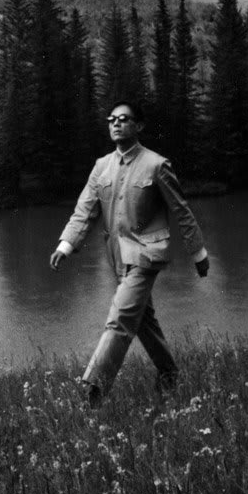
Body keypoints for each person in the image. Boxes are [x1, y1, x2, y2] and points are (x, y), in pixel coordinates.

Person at [50, 100, 209, 406]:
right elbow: (85, 210)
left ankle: (93, 391)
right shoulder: (101, 166)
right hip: (117, 258)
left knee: (121, 316)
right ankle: (169, 372)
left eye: (124, 119)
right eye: (112, 119)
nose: (116, 124)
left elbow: (182, 211)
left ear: (139, 126)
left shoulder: (156, 165)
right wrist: (65, 245)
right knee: (142, 318)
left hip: (147, 255)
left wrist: (198, 254)